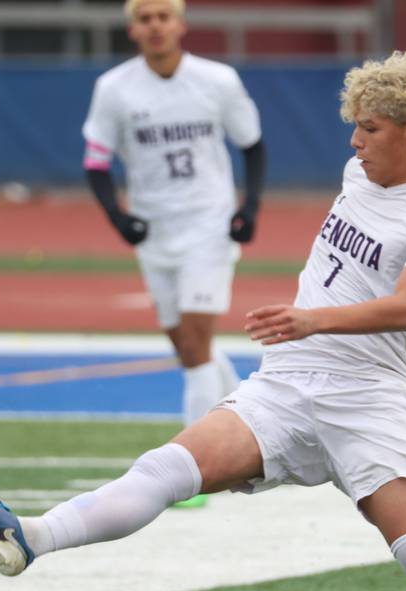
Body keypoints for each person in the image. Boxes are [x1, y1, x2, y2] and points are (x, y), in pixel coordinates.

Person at [0, 49, 406, 591]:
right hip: (287, 384)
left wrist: (314, 319)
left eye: (370, 128)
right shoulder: (366, 175)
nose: (354, 142)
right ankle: (30, 538)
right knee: (164, 469)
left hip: (368, 399)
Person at [82, 0, 266, 445]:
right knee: (187, 349)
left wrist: (250, 207)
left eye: (163, 17)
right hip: (154, 230)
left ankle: (196, 460)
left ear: (181, 25)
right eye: (145, 19)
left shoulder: (217, 80)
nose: (155, 26)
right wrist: (118, 218)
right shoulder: (113, 88)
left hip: (208, 223)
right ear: (133, 30)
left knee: (198, 343)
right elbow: (96, 161)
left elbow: (252, 144)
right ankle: (253, 416)